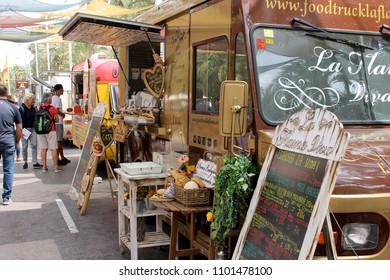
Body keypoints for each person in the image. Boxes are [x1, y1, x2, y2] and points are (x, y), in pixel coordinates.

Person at [0, 85, 22, 205]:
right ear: (6, 92)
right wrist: (17, 142)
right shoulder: (13, 107)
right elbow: (19, 128)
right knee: (8, 170)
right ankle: (6, 197)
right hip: (8, 141)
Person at [37, 92, 62, 173]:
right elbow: (57, 119)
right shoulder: (53, 108)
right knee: (53, 148)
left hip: (41, 130)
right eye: (51, 99)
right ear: (49, 100)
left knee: (43, 148)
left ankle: (44, 167)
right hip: (51, 130)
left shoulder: (39, 107)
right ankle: (55, 167)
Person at [19, 93, 43, 169]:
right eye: (32, 99)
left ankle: (35, 162)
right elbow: (19, 120)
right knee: (24, 146)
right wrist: (21, 130)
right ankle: (25, 161)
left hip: (33, 129)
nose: (33, 101)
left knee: (34, 145)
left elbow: (36, 116)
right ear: (27, 99)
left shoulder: (33, 107)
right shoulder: (22, 108)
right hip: (25, 129)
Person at [51, 84, 70, 166]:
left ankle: (62, 157)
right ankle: (57, 159)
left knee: (59, 141)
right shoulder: (58, 99)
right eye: (61, 90)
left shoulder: (52, 98)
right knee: (59, 141)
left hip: (55, 122)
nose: (62, 91)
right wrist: (63, 114)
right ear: (58, 90)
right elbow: (56, 110)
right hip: (58, 122)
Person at [7, 95, 21, 162]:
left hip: (9, 130)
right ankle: (18, 156)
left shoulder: (6, 107)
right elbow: (19, 124)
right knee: (17, 143)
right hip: (15, 128)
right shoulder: (15, 108)